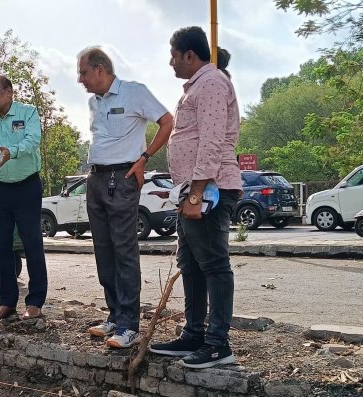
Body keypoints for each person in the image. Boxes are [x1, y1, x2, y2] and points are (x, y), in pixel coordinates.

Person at [149, 27, 242, 369]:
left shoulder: (212, 82)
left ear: (189, 55)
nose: (170, 62)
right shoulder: (198, 86)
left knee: (215, 265)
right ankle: (194, 335)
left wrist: (198, 191)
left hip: (210, 192)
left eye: (173, 55)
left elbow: (212, 140)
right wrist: (189, 192)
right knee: (190, 264)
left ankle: (218, 344)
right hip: (193, 191)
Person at [77, 47, 173, 348]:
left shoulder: (134, 92)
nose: (81, 80)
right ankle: (115, 317)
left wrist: (144, 158)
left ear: (101, 69)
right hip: (96, 178)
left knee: (124, 251)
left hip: (123, 178)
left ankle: (130, 325)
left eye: (84, 73)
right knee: (104, 251)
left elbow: (167, 121)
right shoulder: (93, 102)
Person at [0, 74, 48, 321]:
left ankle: (35, 302)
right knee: (1, 246)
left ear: (9, 92)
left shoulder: (27, 113)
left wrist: (12, 152)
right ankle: (6, 302)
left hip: (27, 186)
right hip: (0, 187)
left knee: (32, 244)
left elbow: (33, 140)